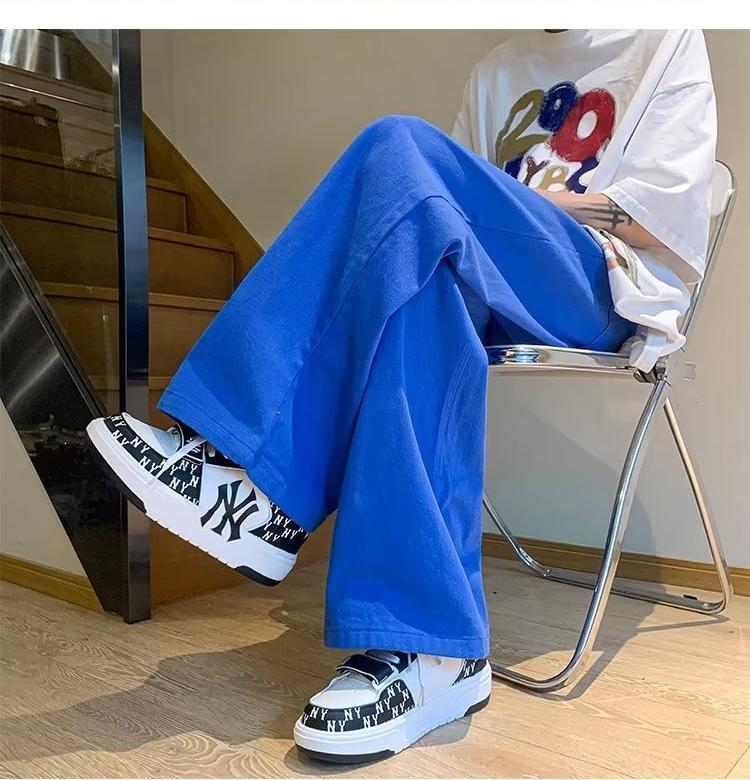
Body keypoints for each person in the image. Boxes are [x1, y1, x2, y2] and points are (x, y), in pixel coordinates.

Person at [87, 29, 716, 763]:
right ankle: (433, 651)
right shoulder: (497, 69)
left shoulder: (666, 35)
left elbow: (662, 219)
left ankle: (255, 482)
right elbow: (439, 214)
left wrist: (503, 199)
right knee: (422, 285)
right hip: (487, 280)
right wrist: (463, 198)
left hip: (603, 285)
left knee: (399, 146)